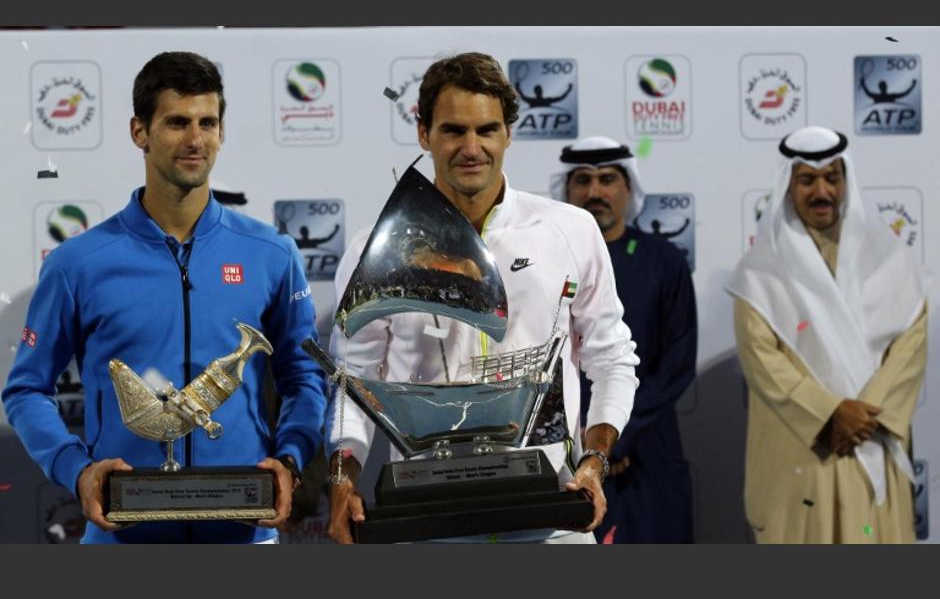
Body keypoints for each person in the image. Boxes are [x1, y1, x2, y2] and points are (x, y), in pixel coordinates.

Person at [2, 51, 327, 544]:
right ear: (140, 132)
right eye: (177, 122)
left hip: (245, 534)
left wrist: (289, 460)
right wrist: (78, 470)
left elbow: (304, 378)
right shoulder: (78, 263)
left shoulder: (272, 254)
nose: (196, 140)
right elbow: (26, 390)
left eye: (207, 122)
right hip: (122, 537)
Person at [325, 52, 640, 544]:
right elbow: (352, 382)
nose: (472, 148)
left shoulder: (569, 230)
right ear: (423, 133)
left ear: (508, 134)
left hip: (552, 510)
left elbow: (612, 358)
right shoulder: (375, 248)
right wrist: (343, 481)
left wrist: (594, 461)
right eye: (453, 131)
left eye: (487, 130)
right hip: (428, 519)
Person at [727, 125, 928, 543]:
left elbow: (909, 348)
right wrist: (832, 412)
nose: (822, 191)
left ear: (845, 182)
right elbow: (764, 364)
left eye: (831, 178)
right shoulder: (759, 273)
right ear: (788, 187)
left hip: (871, 442)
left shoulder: (891, 262)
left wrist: (861, 415)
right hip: (805, 453)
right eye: (807, 180)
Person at [554, 135, 696, 543]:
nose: (594, 192)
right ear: (566, 190)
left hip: (646, 452)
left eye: (607, 179)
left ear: (629, 188)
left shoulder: (664, 262)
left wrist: (614, 435)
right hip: (563, 452)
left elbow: (676, 365)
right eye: (582, 180)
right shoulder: (545, 263)